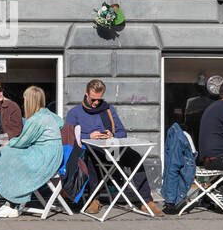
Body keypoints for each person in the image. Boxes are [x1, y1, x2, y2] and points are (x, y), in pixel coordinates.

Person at [65, 79, 162, 216]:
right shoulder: (75, 113)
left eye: (99, 100)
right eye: (93, 99)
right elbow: (68, 136)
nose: (96, 103)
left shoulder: (108, 109)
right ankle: (94, 199)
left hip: (111, 149)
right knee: (89, 156)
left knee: (135, 157)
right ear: (86, 94)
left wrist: (112, 134)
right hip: (89, 151)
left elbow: (122, 132)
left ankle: (146, 201)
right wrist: (89, 136)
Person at [0, 86, 64, 218]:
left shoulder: (36, 119)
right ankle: (9, 201)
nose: (23, 102)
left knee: (8, 152)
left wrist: (8, 142)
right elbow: (61, 122)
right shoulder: (47, 113)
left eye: (25, 99)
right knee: (11, 154)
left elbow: (22, 141)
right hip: (49, 153)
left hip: (44, 156)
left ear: (30, 101)